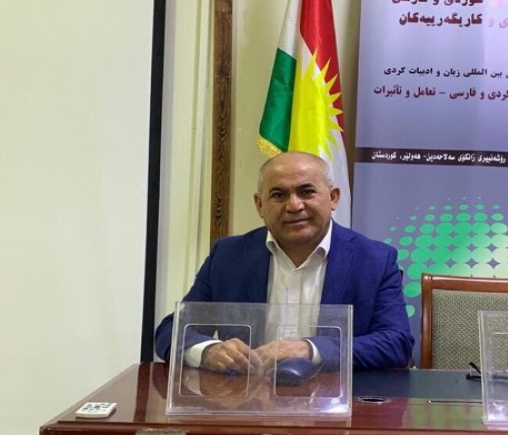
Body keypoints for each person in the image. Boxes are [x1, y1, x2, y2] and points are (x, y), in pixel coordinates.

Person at [155, 151, 414, 372]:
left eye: (306, 192)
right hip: (248, 401)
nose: (294, 205)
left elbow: (397, 343)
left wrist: (309, 350)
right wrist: (207, 351)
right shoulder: (228, 256)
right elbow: (170, 331)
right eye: (278, 195)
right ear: (259, 205)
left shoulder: (374, 260)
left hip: (337, 403)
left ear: (333, 197)